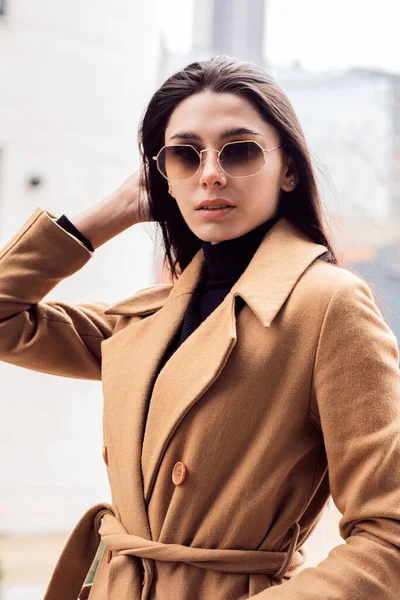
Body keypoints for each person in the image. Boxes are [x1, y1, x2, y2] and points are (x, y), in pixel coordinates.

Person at [0, 56, 399, 600]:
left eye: (239, 151)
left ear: (289, 170)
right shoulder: (151, 316)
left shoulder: (328, 306)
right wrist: (109, 213)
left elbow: (388, 535)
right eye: (185, 156)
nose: (211, 172)